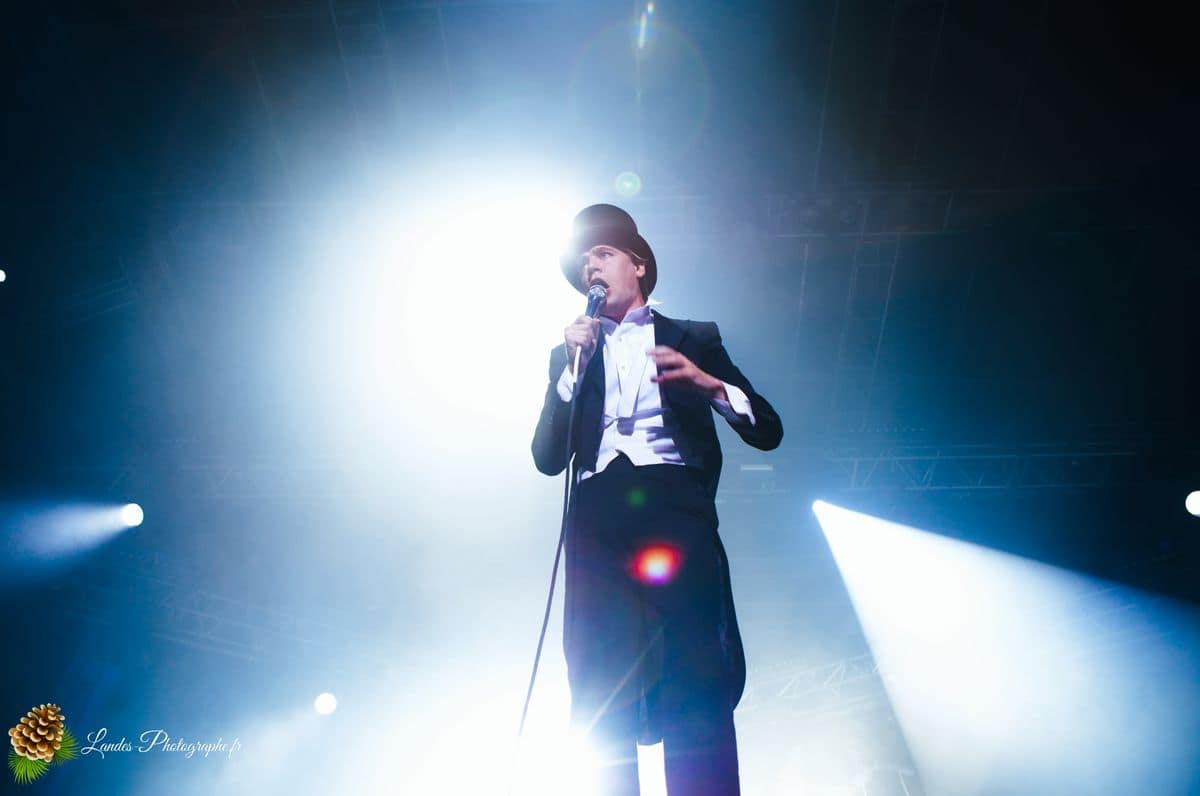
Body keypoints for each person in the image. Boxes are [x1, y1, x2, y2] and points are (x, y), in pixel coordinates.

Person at [531, 204, 783, 795]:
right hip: (596, 513)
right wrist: (569, 373)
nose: (589, 267)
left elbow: (766, 427)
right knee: (598, 676)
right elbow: (546, 457)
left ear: (637, 265)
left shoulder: (695, 338)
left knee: (695, 664)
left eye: (602, 254)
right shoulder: (567, 353)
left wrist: (709, 385)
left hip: (674, 502)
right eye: (582, 262)